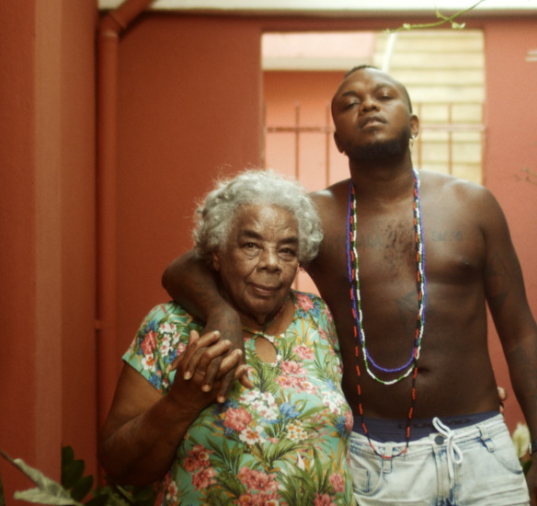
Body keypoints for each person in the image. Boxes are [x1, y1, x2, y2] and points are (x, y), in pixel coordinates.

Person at [164, 66, 537, 505]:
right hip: (376, 456)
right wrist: (221, 313)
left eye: (384, 95)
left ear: (413, 125)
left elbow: (520, 331)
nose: (368, 105)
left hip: (479, 444)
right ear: (339, 140)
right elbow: (186, 267)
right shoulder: (315, 216)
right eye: (349, 103)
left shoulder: (473, 205)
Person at [100, 170, 355, 505]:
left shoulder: (320, 319)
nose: (270, 263)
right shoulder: (170, 327)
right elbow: (117, 465)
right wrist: (182, 401)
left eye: (287, 251)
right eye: (251, 245)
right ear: (216, 254)